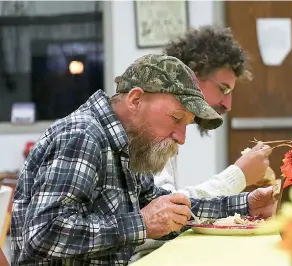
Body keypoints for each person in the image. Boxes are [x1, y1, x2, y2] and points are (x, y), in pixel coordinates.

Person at [11, 54, 276, 265]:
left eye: (187, 124)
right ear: (136, 100)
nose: (181, 137)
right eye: (176, 118)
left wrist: (244, 205)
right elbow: (44, 234)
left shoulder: (131, 144)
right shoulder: (83, 136)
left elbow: (169, 209)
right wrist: (141, 223)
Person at [131, 25, 275, 262]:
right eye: (223, 89)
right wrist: (237, 176)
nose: (227, 104)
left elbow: (163, 206)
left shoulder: (167, 129)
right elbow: (163, 212)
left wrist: (245, 203)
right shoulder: (146, 129)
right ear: (193, 76)